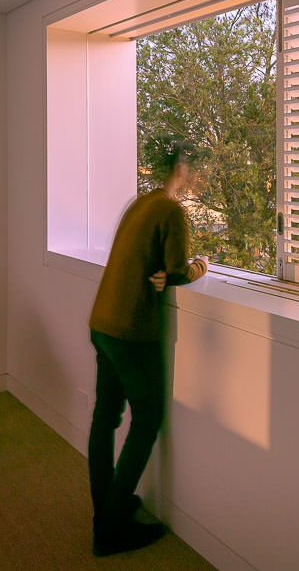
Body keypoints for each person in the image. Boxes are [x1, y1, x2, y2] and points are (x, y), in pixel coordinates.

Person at [87, 141, 208, 556]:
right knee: (147, 418)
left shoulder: (139, 204)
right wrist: (201, 266)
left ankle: (104, 510)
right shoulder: (172, 211)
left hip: (102, 321)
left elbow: (155, 269)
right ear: (182, 169)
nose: (195, 179)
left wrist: (163, 275)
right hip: (131, 331)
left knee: (105, 418)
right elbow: (175, 270)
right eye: (193, 170)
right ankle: (112, 526)